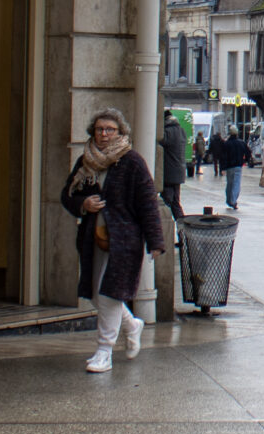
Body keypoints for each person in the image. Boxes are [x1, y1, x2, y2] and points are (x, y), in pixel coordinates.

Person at [61, 108, 166, 372]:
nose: (104, 134)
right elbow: (67, 195)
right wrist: (83, 203)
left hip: (124, 241)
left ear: (120, 132)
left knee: (109, 295)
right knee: (97, 295)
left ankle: (104, 351)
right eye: (99, 129)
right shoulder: (86, 161)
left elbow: (147, 203)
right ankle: (132, 325)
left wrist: (155, 241)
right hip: (92, 238)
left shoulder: (132, 161)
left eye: (110, 129)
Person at [214, 124, 251, 211]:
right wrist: (245, 161)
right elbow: (248, 153)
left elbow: (223, 156)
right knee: (236, 184)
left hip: (229, 167)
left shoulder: (226, 143)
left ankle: (229, 200)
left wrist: (222, 168)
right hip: (238, 166)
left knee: (229, 184)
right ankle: (233, 201)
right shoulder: (241, 143)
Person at [159, 114, 190, 209]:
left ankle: (168, 217)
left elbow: (159, 141)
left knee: (167, 201)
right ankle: (180, 218)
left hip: (169, 172)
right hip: (179, 171)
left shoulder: (168, 132)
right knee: (175, 202)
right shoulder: (181, 130)